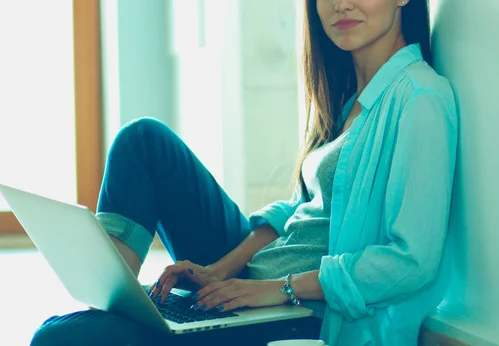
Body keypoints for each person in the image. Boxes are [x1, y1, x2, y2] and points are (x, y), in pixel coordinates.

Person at [31, 0, 457, 345]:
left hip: (301, 315)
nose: (341, 4)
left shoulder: (421, 99)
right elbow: (297, 211)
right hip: (256, 280)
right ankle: (121, 300)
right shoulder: (351, 100)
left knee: (58, 337)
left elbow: (412, 261)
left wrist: (282, 288)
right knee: (143, 141)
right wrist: (221, 270)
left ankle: (131, 318)